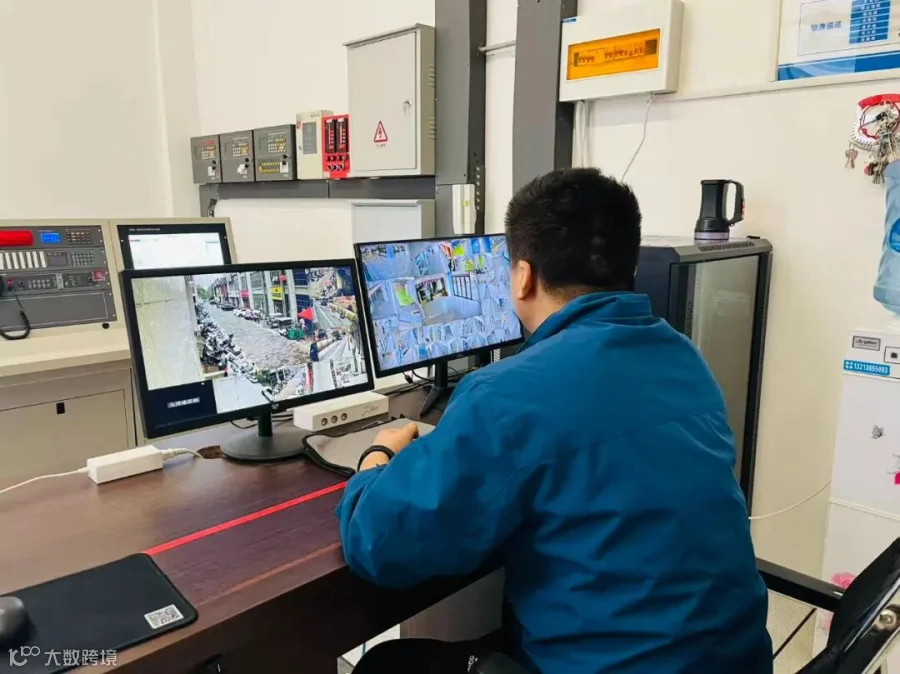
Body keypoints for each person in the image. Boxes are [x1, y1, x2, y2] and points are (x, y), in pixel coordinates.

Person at [336, 168, 772, 674]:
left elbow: (380, 543)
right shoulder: (685, 358)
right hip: (736, 661)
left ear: (522, 276)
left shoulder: (505, 394)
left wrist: (377, 457)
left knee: (387, 665)